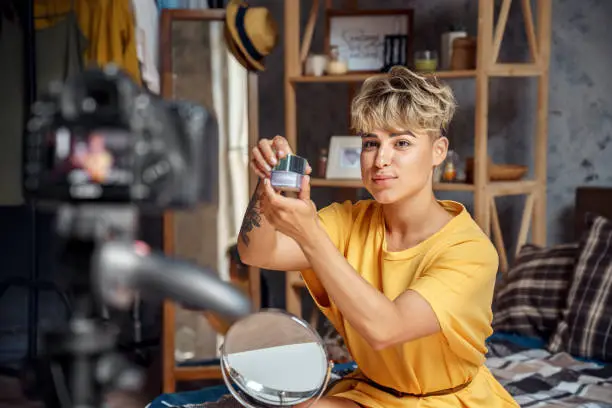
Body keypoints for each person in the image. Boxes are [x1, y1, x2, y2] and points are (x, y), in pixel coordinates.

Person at [237, 66, 518, 408]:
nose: (381, 160)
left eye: (402, 142)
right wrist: (269, 181)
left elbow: (386, 329)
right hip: (374, 393)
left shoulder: (470, 251)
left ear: (438, 151)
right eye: (371, 143)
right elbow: (257, 252)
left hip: (446, 401)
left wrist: (311, 236)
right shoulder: (350, 220)